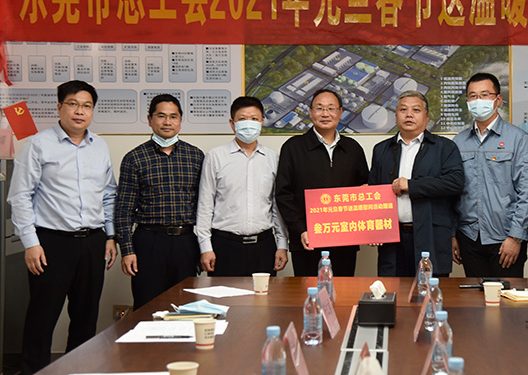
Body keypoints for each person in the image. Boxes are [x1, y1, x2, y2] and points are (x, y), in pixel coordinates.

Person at [7, 80, 117, 375]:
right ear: (59, 107)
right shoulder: (38, 144)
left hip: (93, 242)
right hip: (51, 243)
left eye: (86, 106)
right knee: (42, 317)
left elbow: (109, 194)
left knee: (86, 316)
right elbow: (20, 196)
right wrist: (31, 243)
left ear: (92, 111)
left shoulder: (100, 146)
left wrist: (110, 235)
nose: (80, 111)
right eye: (73, 104)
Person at [114, 94, 204, 310]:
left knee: (186, 307)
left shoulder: (196, 156)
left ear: (180, 120)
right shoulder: (134, 158)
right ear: (150, 119)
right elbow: (123, 209)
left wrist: (204, 247)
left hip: (186, 242)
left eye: (173, 117)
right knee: (147, 307)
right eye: (161, 116)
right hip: (149, 242)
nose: (167, 122)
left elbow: (205, 205)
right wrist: (127, 250)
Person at [368, 91, 464, 277]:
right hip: (392, 239)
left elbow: (455, 182)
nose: (409, 114)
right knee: (393, 289)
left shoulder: (444, 147)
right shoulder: (381, 149)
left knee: (429, 289)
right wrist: (373, 227)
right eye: (403, 110)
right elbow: (373, 190)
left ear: (427, 117)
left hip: (430, 235)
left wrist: (412, 186)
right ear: (396, 116)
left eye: (416, 110)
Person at [451, 72, 528, 278]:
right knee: (474, 297)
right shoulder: (459, 141)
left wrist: (516, 237)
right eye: (473, 96)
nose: (478, 101)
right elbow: (453, 193)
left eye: (484, 95)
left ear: (498, 99)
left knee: (507, 296)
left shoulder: (519, 139)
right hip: (469, 237)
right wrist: (452, 234)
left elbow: (527, 192)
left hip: (505, 238)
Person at [276, 89, 369, 276]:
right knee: (308, 291)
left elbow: (365, 189)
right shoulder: (293, 148)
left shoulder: (353, 148)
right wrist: (300, 229)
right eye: (319, 108)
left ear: (340, 112)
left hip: (345, 241)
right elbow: (283, 194)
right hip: (307, 241)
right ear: (310, 112)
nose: (325, 114)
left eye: (331, 108)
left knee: (343, 291)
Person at [196, 96, 288, 276]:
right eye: (243, 119)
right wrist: (205, 247)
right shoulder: (215, 156)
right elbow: (205, 204)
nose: (249, 124)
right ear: (232, 123)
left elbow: (276, 205)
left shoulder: (272, 158)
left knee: (264, 295)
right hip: (224, 246)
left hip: (264, 246)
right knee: (224, 294)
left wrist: (282, 244)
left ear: (262, 122)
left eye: (254, 119)